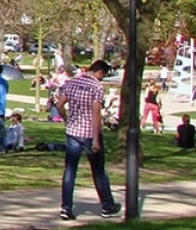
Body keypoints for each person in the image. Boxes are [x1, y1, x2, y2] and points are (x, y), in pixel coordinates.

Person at [55, 60, 122, 220]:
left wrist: (67, 119)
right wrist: (96, 139)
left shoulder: (72, 82)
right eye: (103, 75)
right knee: (98, 171)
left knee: (70, 171)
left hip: (73, 132)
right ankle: (107, 205)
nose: (102, 78)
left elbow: (59, 105)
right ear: (100, 72)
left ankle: (66, 208)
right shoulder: (96, 87)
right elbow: (96, 113)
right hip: (89, 134)